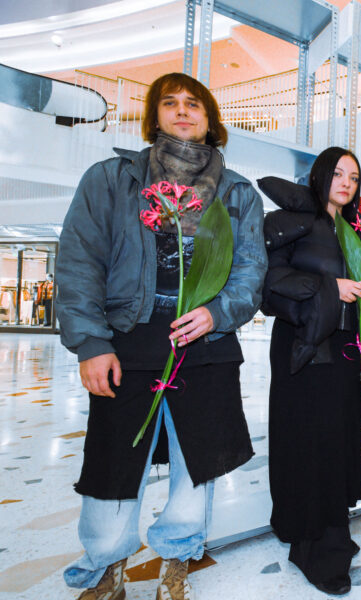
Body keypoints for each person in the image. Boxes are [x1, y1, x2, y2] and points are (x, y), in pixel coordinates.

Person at [56, 72, 266, 600]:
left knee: (197, 462)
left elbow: (250, 271)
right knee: (114, 458)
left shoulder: (238, 191)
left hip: (206, 344)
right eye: (169, 102)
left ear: (209, 118)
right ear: (155, 116)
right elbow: (80, 263)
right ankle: (106, 565)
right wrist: (91, 343)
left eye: (193, 103)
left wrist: (218, 313)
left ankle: (178, 558)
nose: (182, 111)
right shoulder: (111, 179)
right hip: (127, 340)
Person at [260, 147, 361, 596]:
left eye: (354, 176)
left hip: (343, 349)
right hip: (303, 347)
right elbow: (269, 285)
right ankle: (313, 544)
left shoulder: (356, 228)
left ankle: (329, 526)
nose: (346, 182)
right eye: (339, 173)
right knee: (307, 443)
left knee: (337, 441)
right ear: (320, 175)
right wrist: (331, 288)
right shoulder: (291, 220)